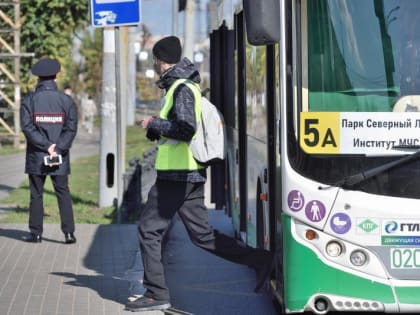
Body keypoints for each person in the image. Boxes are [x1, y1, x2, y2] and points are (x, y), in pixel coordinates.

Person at [125, 36, 273, 312]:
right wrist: (156, 128)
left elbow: (185, 129)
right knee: (202, 236)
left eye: (155, 60)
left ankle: (156, 293)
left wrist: (155, 122)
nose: (155, 64)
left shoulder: (181, 89)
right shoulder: (183, 86)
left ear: (160, 60)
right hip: (187, 175)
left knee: (148, 230)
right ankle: (260, 260)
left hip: (177, 175)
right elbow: (179, 127)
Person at [20, 57, 78, 244]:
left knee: (36, 194)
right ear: (55, 76)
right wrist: (58, 148)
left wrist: (46, 146)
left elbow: (27, 128)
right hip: (59, 157)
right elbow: (71, 128)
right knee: (63, 193)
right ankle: (69, 234)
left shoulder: (29, 101)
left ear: (38, 78)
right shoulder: (66, 101)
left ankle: (36, 234)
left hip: (37, 156)